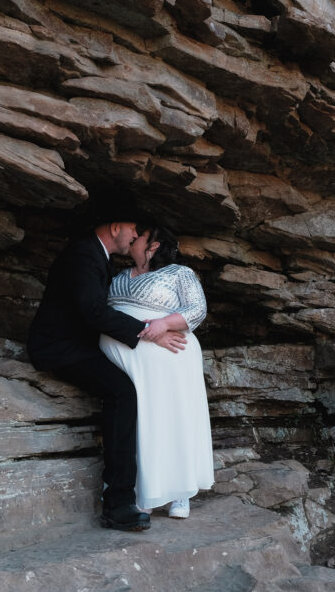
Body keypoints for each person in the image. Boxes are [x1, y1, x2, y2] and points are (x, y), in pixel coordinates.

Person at [27, 215, 186, 532]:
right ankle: (118, 503)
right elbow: (94, 312)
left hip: (78, 344)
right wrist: (149, 332)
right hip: (59, 347)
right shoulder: (83, 254)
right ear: (116, 227)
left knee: (128, 387)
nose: (134, 237)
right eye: (133, 230)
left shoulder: (95, 256)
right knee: (121, 392)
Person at [100, 225, 214, 519]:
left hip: (170, 357)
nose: (133, 239)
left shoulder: (179, 273)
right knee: (140, 422)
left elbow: (197, 309)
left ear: (153, 246)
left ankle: (181, 493)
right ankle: (145, 489)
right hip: (128, 360)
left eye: (139, 237)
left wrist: (164, 324)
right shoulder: (120, 275)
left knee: (172, 419)